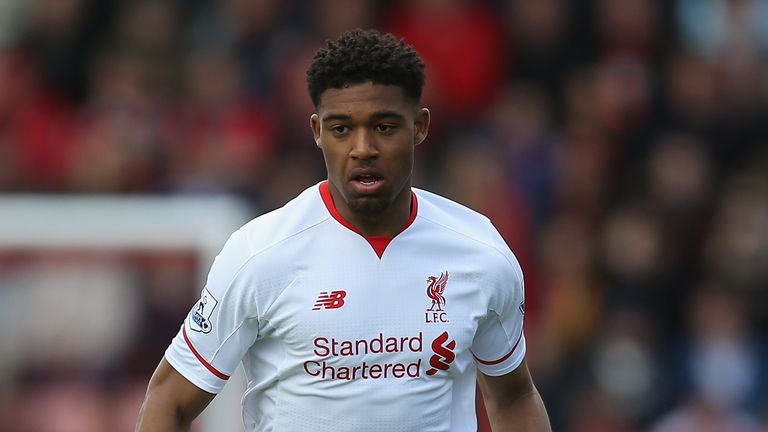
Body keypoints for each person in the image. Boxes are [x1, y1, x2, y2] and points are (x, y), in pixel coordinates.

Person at [135, 28, 551, 432]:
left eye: (384, 126)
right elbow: (169, 400)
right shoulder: (260, 253)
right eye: (341, 128)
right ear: (317, 131)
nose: (363, 148)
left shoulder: (480, 254)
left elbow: (513, 396)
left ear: (420, 126)